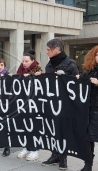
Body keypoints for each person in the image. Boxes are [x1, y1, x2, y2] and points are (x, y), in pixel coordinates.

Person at [40, 39, 79, 170]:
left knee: (63, 131)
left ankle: (63, 158)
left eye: (48, 49)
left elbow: (76, 85)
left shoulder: (70, 64)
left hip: (65, 104)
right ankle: (55, 155)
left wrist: (65, 78)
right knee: (53, 131)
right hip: (52, 103)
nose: (46, 52)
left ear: (57, 49)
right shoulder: (50, 64)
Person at [16, 50, 43, 161]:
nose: (24, 63)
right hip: (23, 103)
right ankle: (26, 147)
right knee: (24, 126)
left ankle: (34, 149)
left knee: (34, 126)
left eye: (26, 61)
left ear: (32, 61)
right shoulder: (20, 70)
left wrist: (35, 76)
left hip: (34, 104)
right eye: (23, 61)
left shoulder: (38, 70)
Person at [77, 45, 98, 171]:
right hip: (88, 108)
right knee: (89, 137)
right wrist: (79, 79)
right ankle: (88, 163)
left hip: (96, 109)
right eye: (97, 54)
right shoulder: (90, 71)